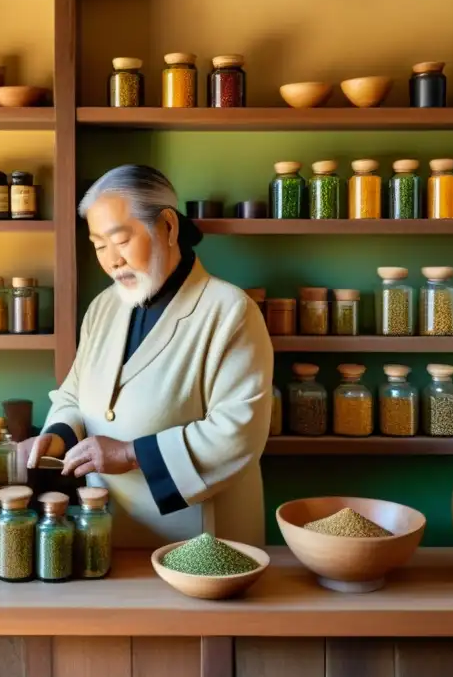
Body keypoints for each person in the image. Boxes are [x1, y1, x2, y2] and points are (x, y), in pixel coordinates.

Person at [18, 164, 274, 547]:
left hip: (203, 539)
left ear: (168, 227)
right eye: (99, 246)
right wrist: (57, 435)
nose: (112, 261)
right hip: (106, 528)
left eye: (120, 240)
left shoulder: (229, 311)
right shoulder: (104, 307)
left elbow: (238, 433)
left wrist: (129, 453)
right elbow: (74, 394)